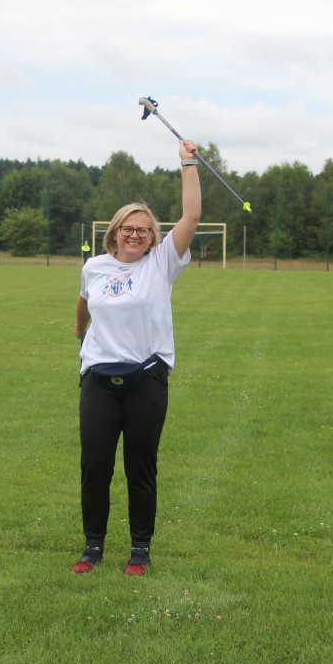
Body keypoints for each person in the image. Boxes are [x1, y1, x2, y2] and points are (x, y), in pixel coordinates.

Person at [72, 139, 201, 576]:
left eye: (144, 229)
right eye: (128, 227)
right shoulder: (95, 268)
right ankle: (92, 548)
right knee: (95, 467)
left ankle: (140, 551)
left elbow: (192, 216)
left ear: (153, 237)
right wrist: (82, 342)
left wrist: (188, 163)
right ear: (115, 232)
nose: (135, 234)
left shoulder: (162, 263)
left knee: (140, 469)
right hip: (99, 383)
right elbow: (83, 304)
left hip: (146, 380)